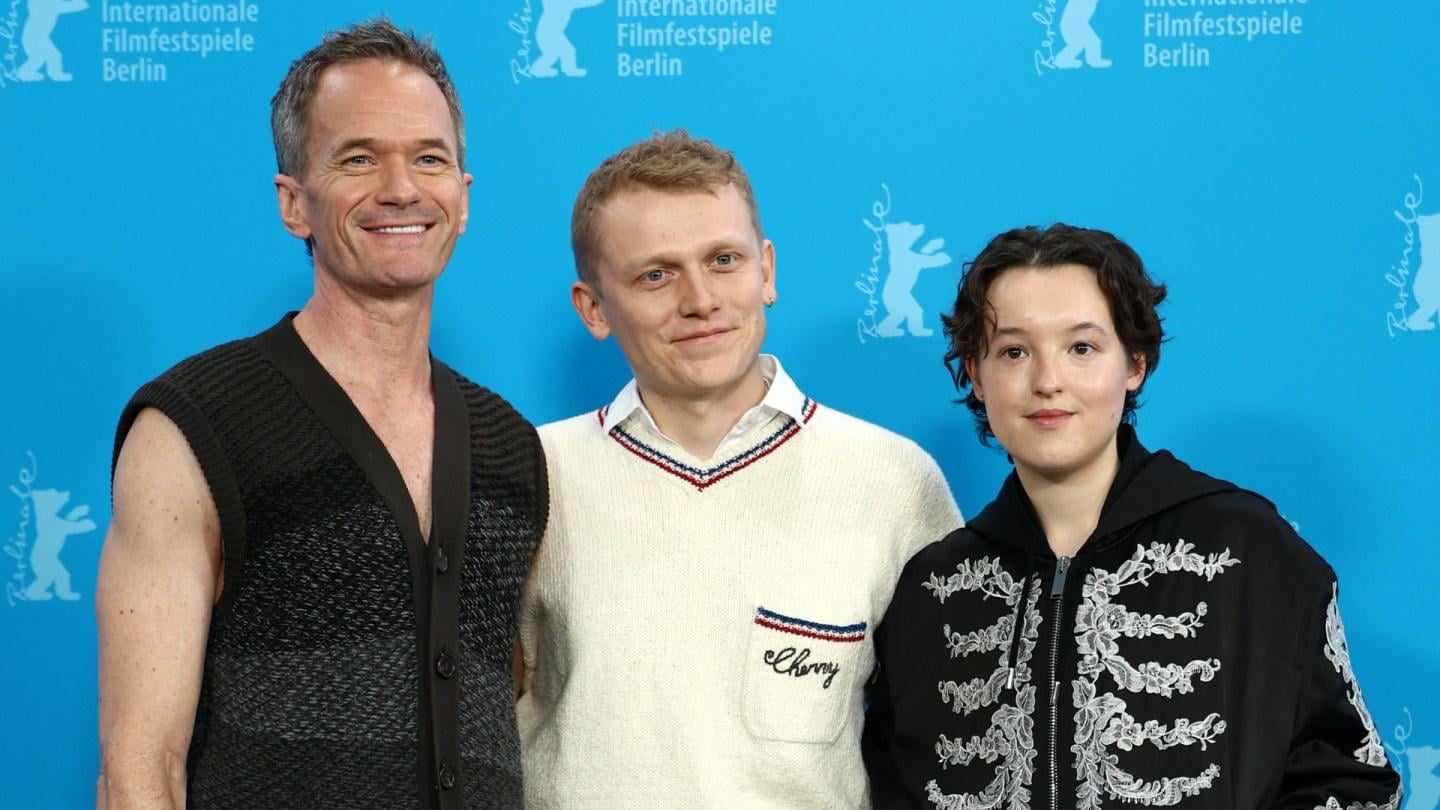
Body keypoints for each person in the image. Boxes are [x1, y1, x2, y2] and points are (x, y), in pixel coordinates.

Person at [94, 20, 547, 809]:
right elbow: (140, 768)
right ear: (294, 203)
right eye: (358, 159)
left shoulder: (511, 445)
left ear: (464, 197)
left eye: (430, 159)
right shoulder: (195, 425)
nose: (401, 189)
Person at [862, 224, 1402, 808]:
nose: (1047, 382)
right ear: (975, 372)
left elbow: (1354, 781)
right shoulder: (932, 589)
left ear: (1135, 363)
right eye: (1014, 351)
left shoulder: (1247, 551)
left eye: (1081, 348)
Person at [516, 130, 962, 806]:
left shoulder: (894, 480)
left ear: (767, 271)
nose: (700, 299)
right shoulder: (529, 473)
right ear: (594, 308)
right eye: (655, 275)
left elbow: (943, 741)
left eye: (723, 260)